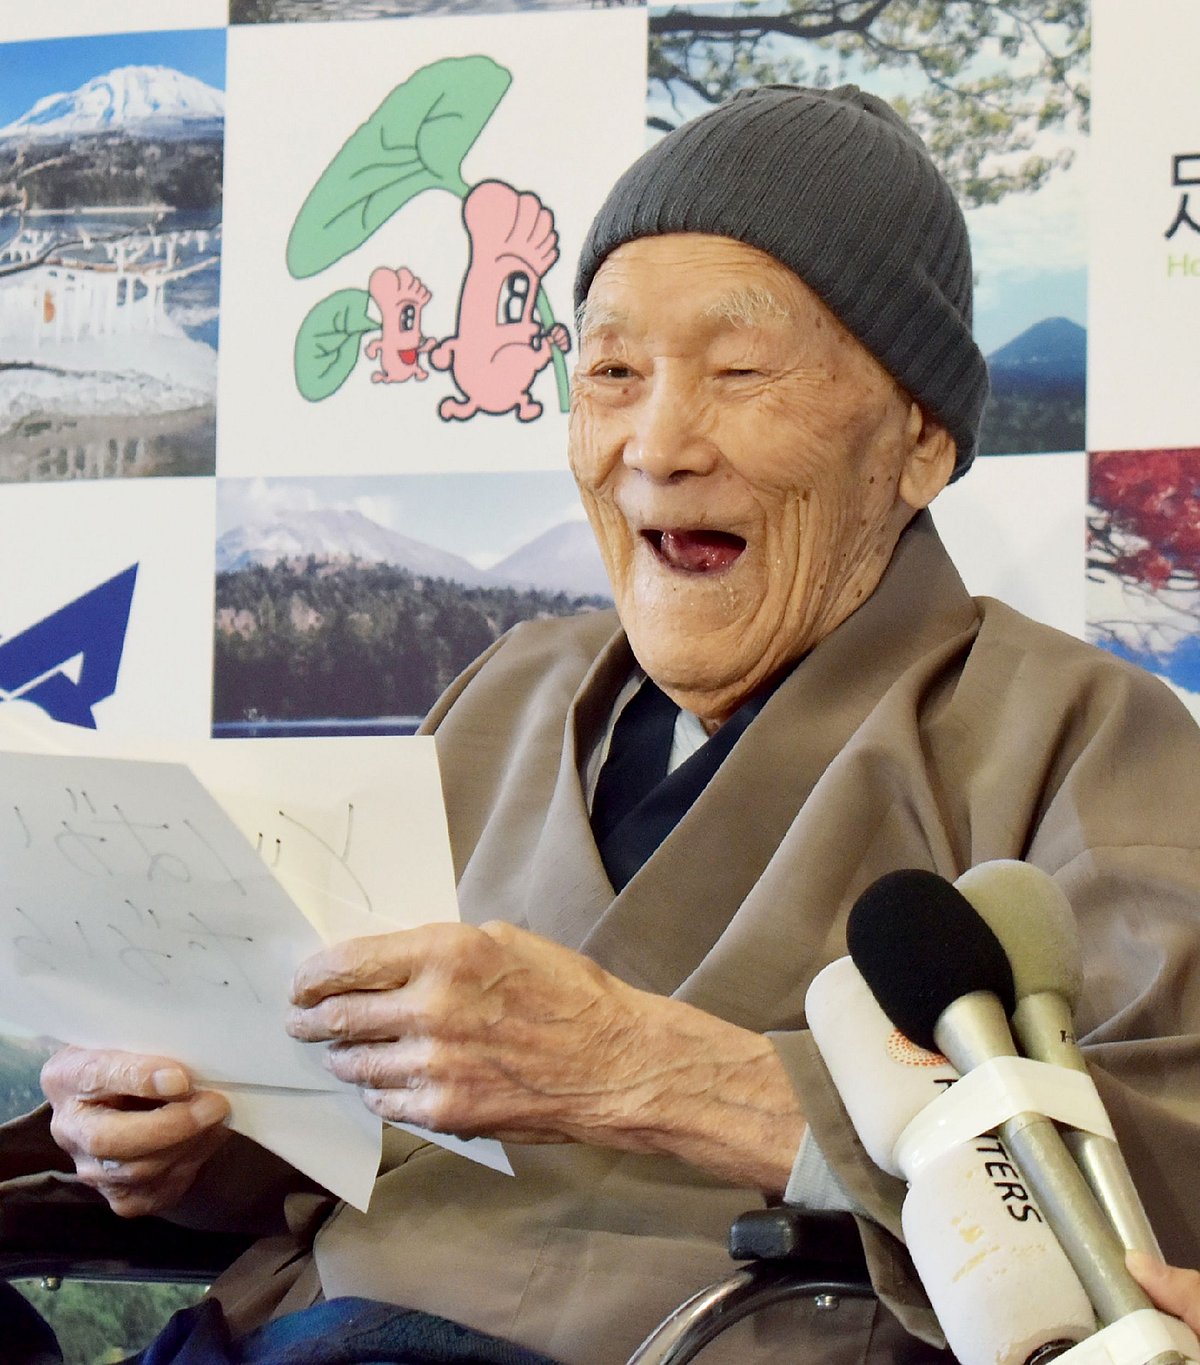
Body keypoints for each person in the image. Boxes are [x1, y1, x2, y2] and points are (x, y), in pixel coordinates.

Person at [7, 84, 1200, 1365]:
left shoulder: (1081, 731)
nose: (657, 443)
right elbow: (355, 1156)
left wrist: (657, 1074)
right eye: (614, 373)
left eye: (739, 373)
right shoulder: (514, 691)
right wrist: (192, 1145)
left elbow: (1157, 1190)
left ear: (917, 440)